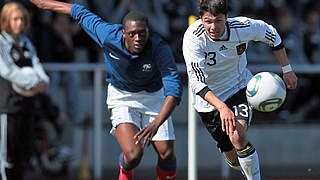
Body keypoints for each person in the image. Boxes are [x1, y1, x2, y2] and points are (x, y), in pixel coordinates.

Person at [29, 0, 183, 180]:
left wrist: (156, 123)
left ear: (148, 31)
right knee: (134, 155)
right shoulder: (108, 34)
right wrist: (40, 3)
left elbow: (174, 90)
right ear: (123, 33)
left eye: (142, 33)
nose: (138, 39)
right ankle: (125, 169)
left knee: (166, 153)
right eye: (132, 34)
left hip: (153, 96)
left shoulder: (159, 48)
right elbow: (77, 11)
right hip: (122, 96)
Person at [182, 0, 297, 179]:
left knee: (237, 136)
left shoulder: (242, 27)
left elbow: (272, 35)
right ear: (201, 18)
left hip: (240, 88)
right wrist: (221, 108)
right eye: (207, 21)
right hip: (208, 102)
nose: (213, 26)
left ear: (227, 18)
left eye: (218, 20)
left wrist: (287, 69)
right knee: (235, 160)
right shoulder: (193, 38)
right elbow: (197, 83)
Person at [0, 2, 49, 180]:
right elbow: (7, 70)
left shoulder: (26, 42)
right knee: (6, 157)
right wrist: (34, 82)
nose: (19, 22)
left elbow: (37, 65)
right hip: (7, 107)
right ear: (6, 20)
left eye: (22, 19)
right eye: (15, 19)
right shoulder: (1, 42)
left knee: (23, 156)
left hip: (27, 106)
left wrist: (44, 81)